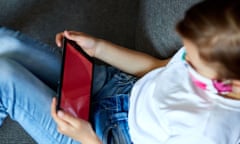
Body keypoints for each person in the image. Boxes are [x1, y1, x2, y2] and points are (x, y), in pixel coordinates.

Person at [0, 0, 240, 143]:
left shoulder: (207, 132)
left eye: (194, 65)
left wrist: (87, 138)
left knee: (3, 76)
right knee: (7, 43)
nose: (185, 62)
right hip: (119, 88)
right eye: (185, 54)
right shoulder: (211, 48)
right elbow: (156, 68)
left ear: (234, 83)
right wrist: (98, 48)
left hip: (106, 135)